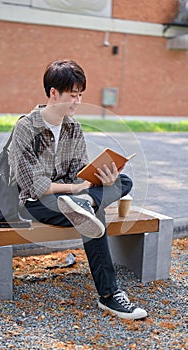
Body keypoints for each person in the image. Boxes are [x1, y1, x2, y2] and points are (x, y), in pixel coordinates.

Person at [9, 59, 147, 320]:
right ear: (53, 93)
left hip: (72, 199)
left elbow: (79, 173)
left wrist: (102, 179)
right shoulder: (26, 128)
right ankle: (109, 295)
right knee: (93, 213)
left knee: (123, 181)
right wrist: (77, 188)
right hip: (36, 204)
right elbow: (33, 186)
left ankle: (86, 205)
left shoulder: (74, 128)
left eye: (81, 95)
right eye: (73, 95)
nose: (78, 101)